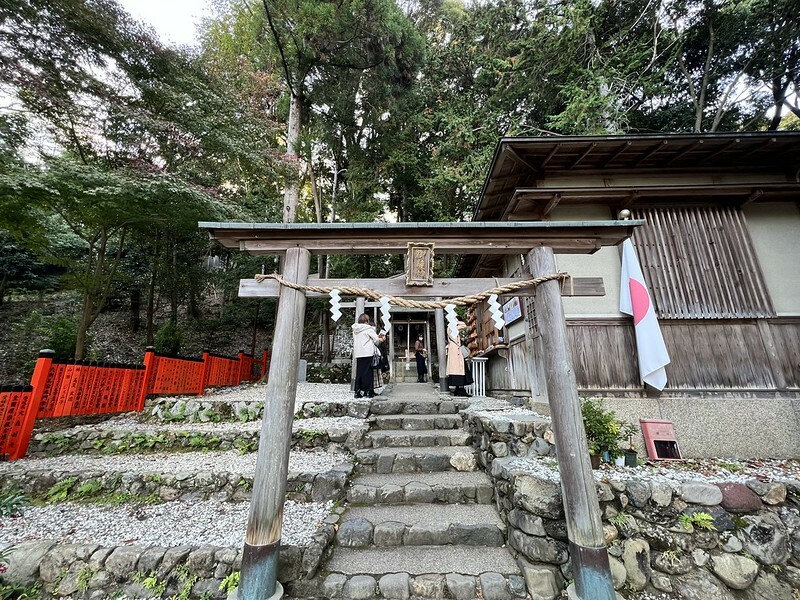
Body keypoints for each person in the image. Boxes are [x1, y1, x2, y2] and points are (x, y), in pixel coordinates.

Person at [352, 313, 385, 398]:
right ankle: (368, 392)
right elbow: (377, 340)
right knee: (368, 373)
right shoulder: (368, 329)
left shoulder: (355, 329)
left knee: (359, 373)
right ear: (367, 321)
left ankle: (357, 392)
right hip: (367, 353)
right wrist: (382, 339)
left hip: (359, 353)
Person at [446, 321, 472, 397]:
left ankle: (458, 389)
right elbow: (463, 326)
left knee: (460, 370)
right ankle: (459, 389)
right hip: (455, 351)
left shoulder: (453, 328)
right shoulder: (451, 328)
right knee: (458, 370)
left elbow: (463, 326)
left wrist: (457, 322)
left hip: (457, 352)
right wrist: (457, 322)